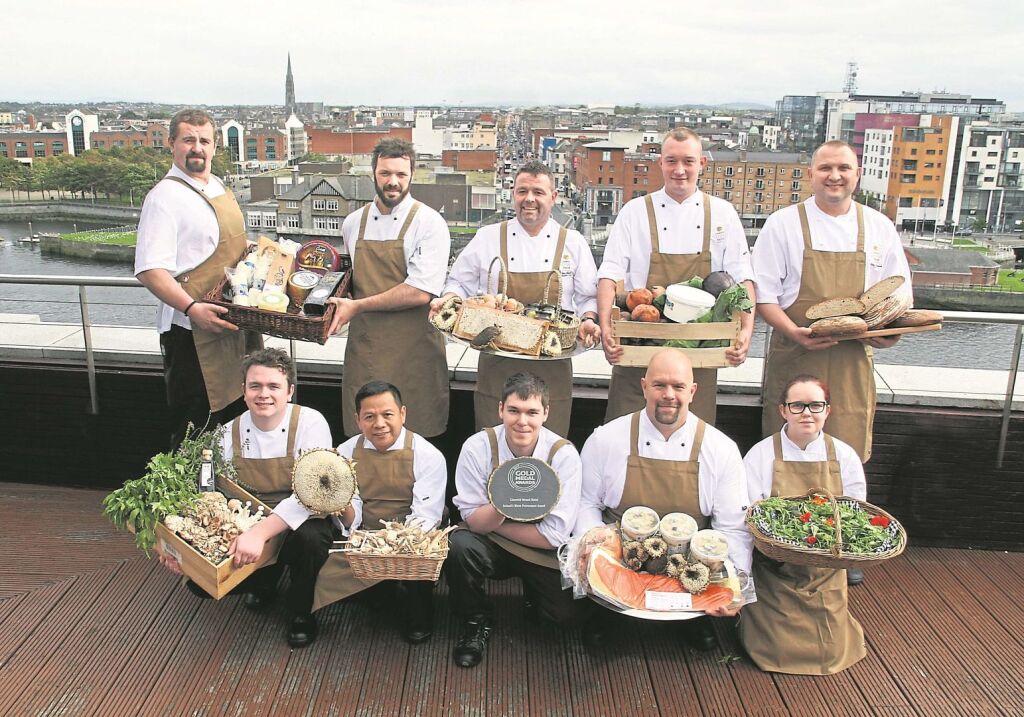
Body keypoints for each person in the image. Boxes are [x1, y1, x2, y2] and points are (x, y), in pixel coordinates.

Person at [751, 140, 912, 586]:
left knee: (846, 450)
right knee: (786, 449)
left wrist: (887, 334)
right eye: (826, 168)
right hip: (795, 351)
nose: (835, 176)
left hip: (850, 362)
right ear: (811, 173)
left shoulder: (878, 227)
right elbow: (762, 294)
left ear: (858, 173)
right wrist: (792, 330)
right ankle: (780, 541)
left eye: (843, 168)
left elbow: (896, 297)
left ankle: (847, 543)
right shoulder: (784, 225)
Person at [158, 348, 335, 648]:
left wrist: (259, 534)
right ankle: (264, 580)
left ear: (290, 391)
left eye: (273, 386)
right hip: (248, 517)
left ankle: (302, 612)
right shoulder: (227, 433)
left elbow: (312, 491)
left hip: (301, 516)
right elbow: (204, 490)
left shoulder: (310, 422)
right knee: (199, 585)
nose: (263, 394)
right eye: (255, 386)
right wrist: (174, 549)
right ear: (243, 391)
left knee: (310, 542)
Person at [576, 348, 751, 650]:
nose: (668, 394)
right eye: (659, 385)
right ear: (643, 386)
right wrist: (593, 556)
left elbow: (732, 527)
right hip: (621, 561)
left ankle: (696, 617)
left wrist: (734, 588)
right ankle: (606, 613)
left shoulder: (721, 449)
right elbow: (585, 503)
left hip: (692, 568)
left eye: (678, 386)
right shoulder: (606, 439)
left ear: (693, 391)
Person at [596, 127, 755, 426]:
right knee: (624, 441)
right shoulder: (634, 212)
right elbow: (610, 273)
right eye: (671, 161)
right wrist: (606, 327)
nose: (679, 170)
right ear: (660, 163)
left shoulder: (723, 213)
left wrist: (745, 331)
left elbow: (743, 279)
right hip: (639, 350)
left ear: (702, 164)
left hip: (699, 355)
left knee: (692, 446)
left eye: (688, 161)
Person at [432, 160, 599, 435]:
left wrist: (589, 320)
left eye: (538, 192)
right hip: (498, 362)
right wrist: (447, 300)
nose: (529, 199)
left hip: (553, 367)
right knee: (493, 447)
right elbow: (458, 281)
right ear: (513, 194)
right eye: (522, 191)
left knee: (550, 450)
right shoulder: (488, 238)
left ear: (553, 197)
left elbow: (587, 298)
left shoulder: (573, 242)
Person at [135, 108, 262, 448]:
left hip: (235, 325)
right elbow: (149, 270)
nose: (197, 149)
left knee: (236, 422)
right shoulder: (163, 198)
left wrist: (266, 253)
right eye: (188, 140)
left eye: (204, 141)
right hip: (191, 334)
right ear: (171, 143)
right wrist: (192, 308)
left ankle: (227, 501)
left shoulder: (218, 185)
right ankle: (190, 501)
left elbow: (230, 246)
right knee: (196, 431)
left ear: (215, 146)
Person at [447, 372, 583, 668]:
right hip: (488, 544)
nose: (523, 421)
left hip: (540, 551)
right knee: (458, 545)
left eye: (532, 412)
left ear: (546, 413)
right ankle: (475, 620)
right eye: (514, 411)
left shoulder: (563, 454)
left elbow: (555, 537)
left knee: (565, 617)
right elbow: (472, 520)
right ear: (500, 410)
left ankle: (534, 594)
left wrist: (497, 521)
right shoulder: (477, 447)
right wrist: (504, 504)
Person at [738, 375, 867, 674]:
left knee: (831, 649)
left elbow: (854, 513)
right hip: (775, 569)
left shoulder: (844, 455)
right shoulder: (761, 454)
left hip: (826, 570)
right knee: (774, 648)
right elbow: (750, 514)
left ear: (827, 411)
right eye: (797, 405)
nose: (806, 413)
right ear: (783, 410)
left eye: (815, 405)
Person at [327, 138, 451, 439]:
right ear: (373, 173)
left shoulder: (429, 223)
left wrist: (357, 307)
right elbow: (349, 281)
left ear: (412, 176)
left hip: (414, 354)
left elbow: (420, 291)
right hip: (366, 350)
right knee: (364, 439)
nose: (392, 182)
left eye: (401, 174)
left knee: (417, 439)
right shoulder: (353, 223)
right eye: (385, 173)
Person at [308, 380, 447, 644]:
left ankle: (421, 608)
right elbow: (351, 515)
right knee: (372, 599)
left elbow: (425, 515)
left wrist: (396, 544)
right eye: (369, 417)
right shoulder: (345, 453)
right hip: (363, 538)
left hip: (409, 540)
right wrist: (342, 507)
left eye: (387, 415)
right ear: (357, 419)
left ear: (403, 414)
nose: (379, 424)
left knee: (417, 573)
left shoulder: (428, 455)